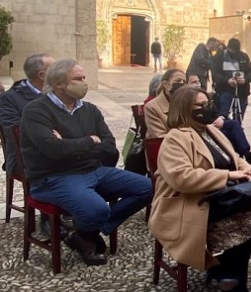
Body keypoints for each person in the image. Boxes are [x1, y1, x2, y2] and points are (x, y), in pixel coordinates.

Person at [20, 59, 152, 265]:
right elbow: (53, 151)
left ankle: (84, 235)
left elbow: (109, 147)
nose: (84, 83)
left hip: (93, 171)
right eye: (78, 78)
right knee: (96, 209)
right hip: (54, 178)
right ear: (59, 84)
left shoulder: (90, 109)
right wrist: (90, 140)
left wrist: (70, 145)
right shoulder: (36, 111)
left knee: (149, 187)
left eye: (84, 78)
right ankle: (89, 231)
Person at [149, 86, 251, 292]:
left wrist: (246, 168)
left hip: (219, 198)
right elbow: (182, 178)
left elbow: (234, 157)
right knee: (250, 220)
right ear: (184, 109)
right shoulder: (175, 138)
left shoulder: (210, 130)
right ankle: (237, 291)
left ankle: (227, 276)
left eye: (208, 103)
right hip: (187, 204)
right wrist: (228, 175)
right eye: (200, 106)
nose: (207, 109)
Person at [0, 53, 55, 177]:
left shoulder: (57, 93)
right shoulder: (9, 99)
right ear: (42, 75)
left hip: (60, 150)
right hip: (26, 158)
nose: (60, 72)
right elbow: (14, 132)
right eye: (55, 68)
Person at [212, 38, 251, 119]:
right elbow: (215, 74)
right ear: (228, 48)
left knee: (239, 117)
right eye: (232, 52)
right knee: (222, 116)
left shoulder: (244, 56)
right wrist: (227, 80)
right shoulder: (219, 57)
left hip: (242, 91)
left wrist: (245, 80)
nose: (234, 54)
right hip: (225, 90)